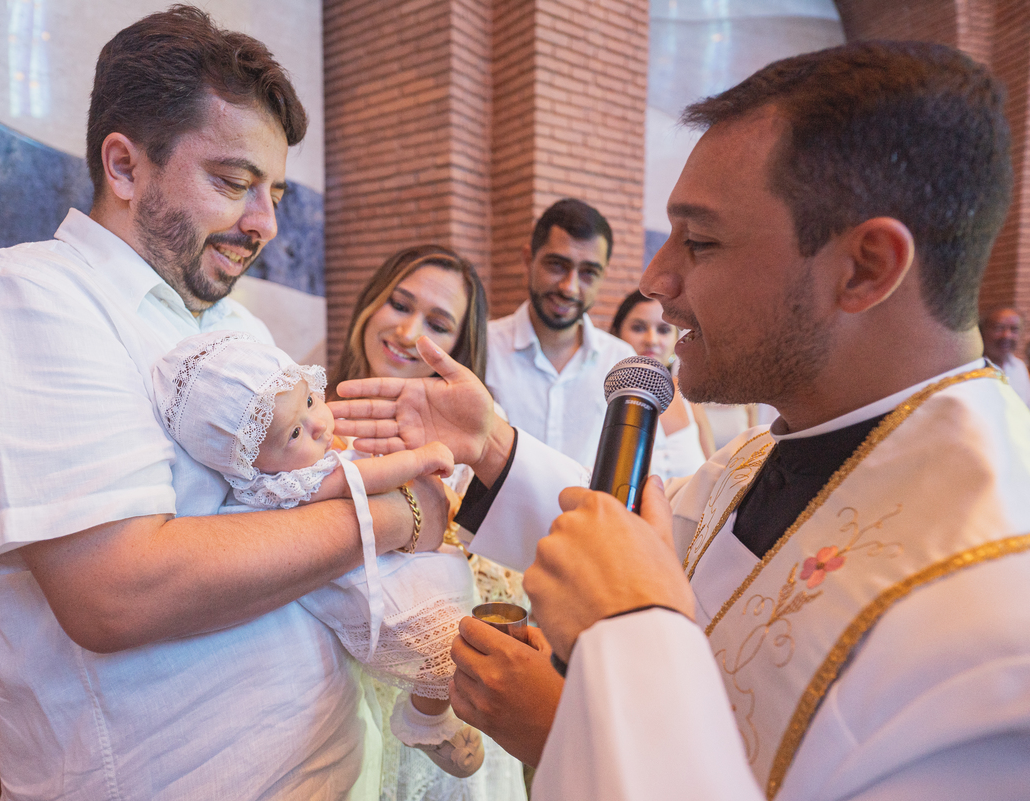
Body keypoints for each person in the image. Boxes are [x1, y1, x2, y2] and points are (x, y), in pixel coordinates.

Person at [331, 40, 1030, 799]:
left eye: (699, 241)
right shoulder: (763, 452)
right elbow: (625, 548)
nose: (654, 280)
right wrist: (490, 444)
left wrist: (570, 723)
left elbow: (637, 606)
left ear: (864, 268)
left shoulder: (994, 611)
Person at [0, 8, 446, 799]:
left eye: (274, 192)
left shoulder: (235, 324)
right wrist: (390, 513)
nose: (265, 224)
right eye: (232, 182)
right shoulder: (27, 295)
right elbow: (118, 590)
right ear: (124, 166)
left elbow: (293, 494)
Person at [152, 332, 486, 779]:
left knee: (452, 622)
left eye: (310, 401)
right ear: (252, 463)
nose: (317, 425)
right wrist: (421, 459)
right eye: (294, 432)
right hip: (367, 583)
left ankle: (429, 714)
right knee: (440, 638)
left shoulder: (300, 458)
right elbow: (363, 477)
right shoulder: (284, 485)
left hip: (381, 558)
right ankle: (425, 721)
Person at [330, 244, 531, 801]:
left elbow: (499, 588)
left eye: (437, 325)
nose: (407, 332)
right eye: (399, 304)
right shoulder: (309, 411)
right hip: (331, 701)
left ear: (458, 349)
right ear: (371, 304)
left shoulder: (472, 441)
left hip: (440, 696)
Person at [485, 199, 658, 471]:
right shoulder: (484, 346)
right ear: (528, 259)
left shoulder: (621, 362)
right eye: (557, 265)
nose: (570, 287)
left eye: (588, 272)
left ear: (603, 276)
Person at [611, 290, 714, 476]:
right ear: (616, 334)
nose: (652, 340)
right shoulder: (604, 398)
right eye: (638, 328)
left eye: (664, 330)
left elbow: (714, 475)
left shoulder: (687, 394)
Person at [981, 306, 1030, 403]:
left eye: (1014, 329)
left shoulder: (1019, 367)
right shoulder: (973, 368)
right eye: (999, 328)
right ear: (983, 331)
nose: (1007, 335)